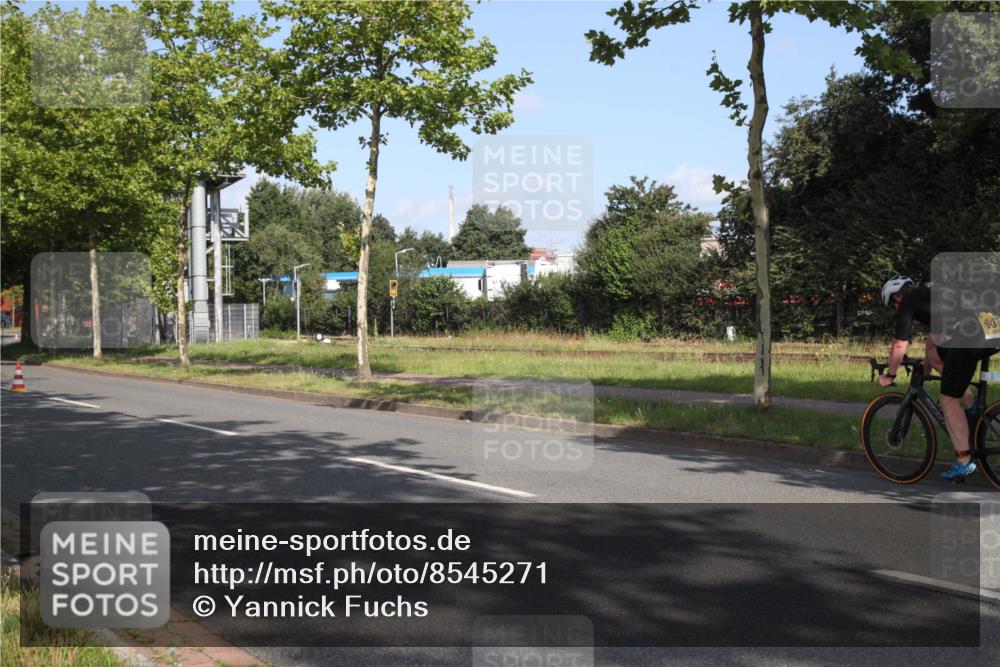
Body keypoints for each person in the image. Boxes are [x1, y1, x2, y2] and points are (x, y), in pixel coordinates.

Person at [879, 276, 990, 480]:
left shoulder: (908, 302)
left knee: (948, 399)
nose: (895, 310)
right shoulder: (931, 298)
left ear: (897, 297)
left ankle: (964, 460)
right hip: (990, 327)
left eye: (892, 306)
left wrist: (890, 375)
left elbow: (899, 344)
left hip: (972, 335)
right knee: (939, 357)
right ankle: (972, 406)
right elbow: (934, 343)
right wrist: (925, 369)